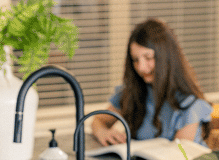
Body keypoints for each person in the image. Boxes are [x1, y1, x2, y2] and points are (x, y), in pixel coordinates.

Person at [91, 18, 212, 147]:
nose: (141, 67)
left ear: (166, 57)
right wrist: (103, 132)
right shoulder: (133, 92)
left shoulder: (189, 103)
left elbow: (180, 155)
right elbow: (99, 120)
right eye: (135, 60)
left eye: (148, 58)